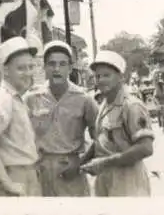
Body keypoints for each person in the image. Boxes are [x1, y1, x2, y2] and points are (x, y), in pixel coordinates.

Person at [25, 40, 98, 196]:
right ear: (44, 67)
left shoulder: (84, 99)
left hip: (70, 168)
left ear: (70, 68)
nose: (56, 69)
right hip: (40, 169)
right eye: (51, 64)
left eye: (62, 64)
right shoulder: (32, 97)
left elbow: (100, 137)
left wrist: (80, 162)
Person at [80, 51, 155, 197]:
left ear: (121, 77)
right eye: (97, 76)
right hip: (105, 179)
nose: (101, 80)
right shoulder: (104, 104)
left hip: (128, 181)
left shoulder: (132, 106)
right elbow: (100, 142)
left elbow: (146, 148)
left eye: (106, 75)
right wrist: (81, 163)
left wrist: (105, 162)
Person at [0, 36, 41, 196]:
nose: (28, 73)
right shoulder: (2, 98)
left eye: (30, 67)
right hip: (13, 175)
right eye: (21, 68)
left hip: (26, 173)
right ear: (6, 70)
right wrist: (7, 182)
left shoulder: (16, 98)